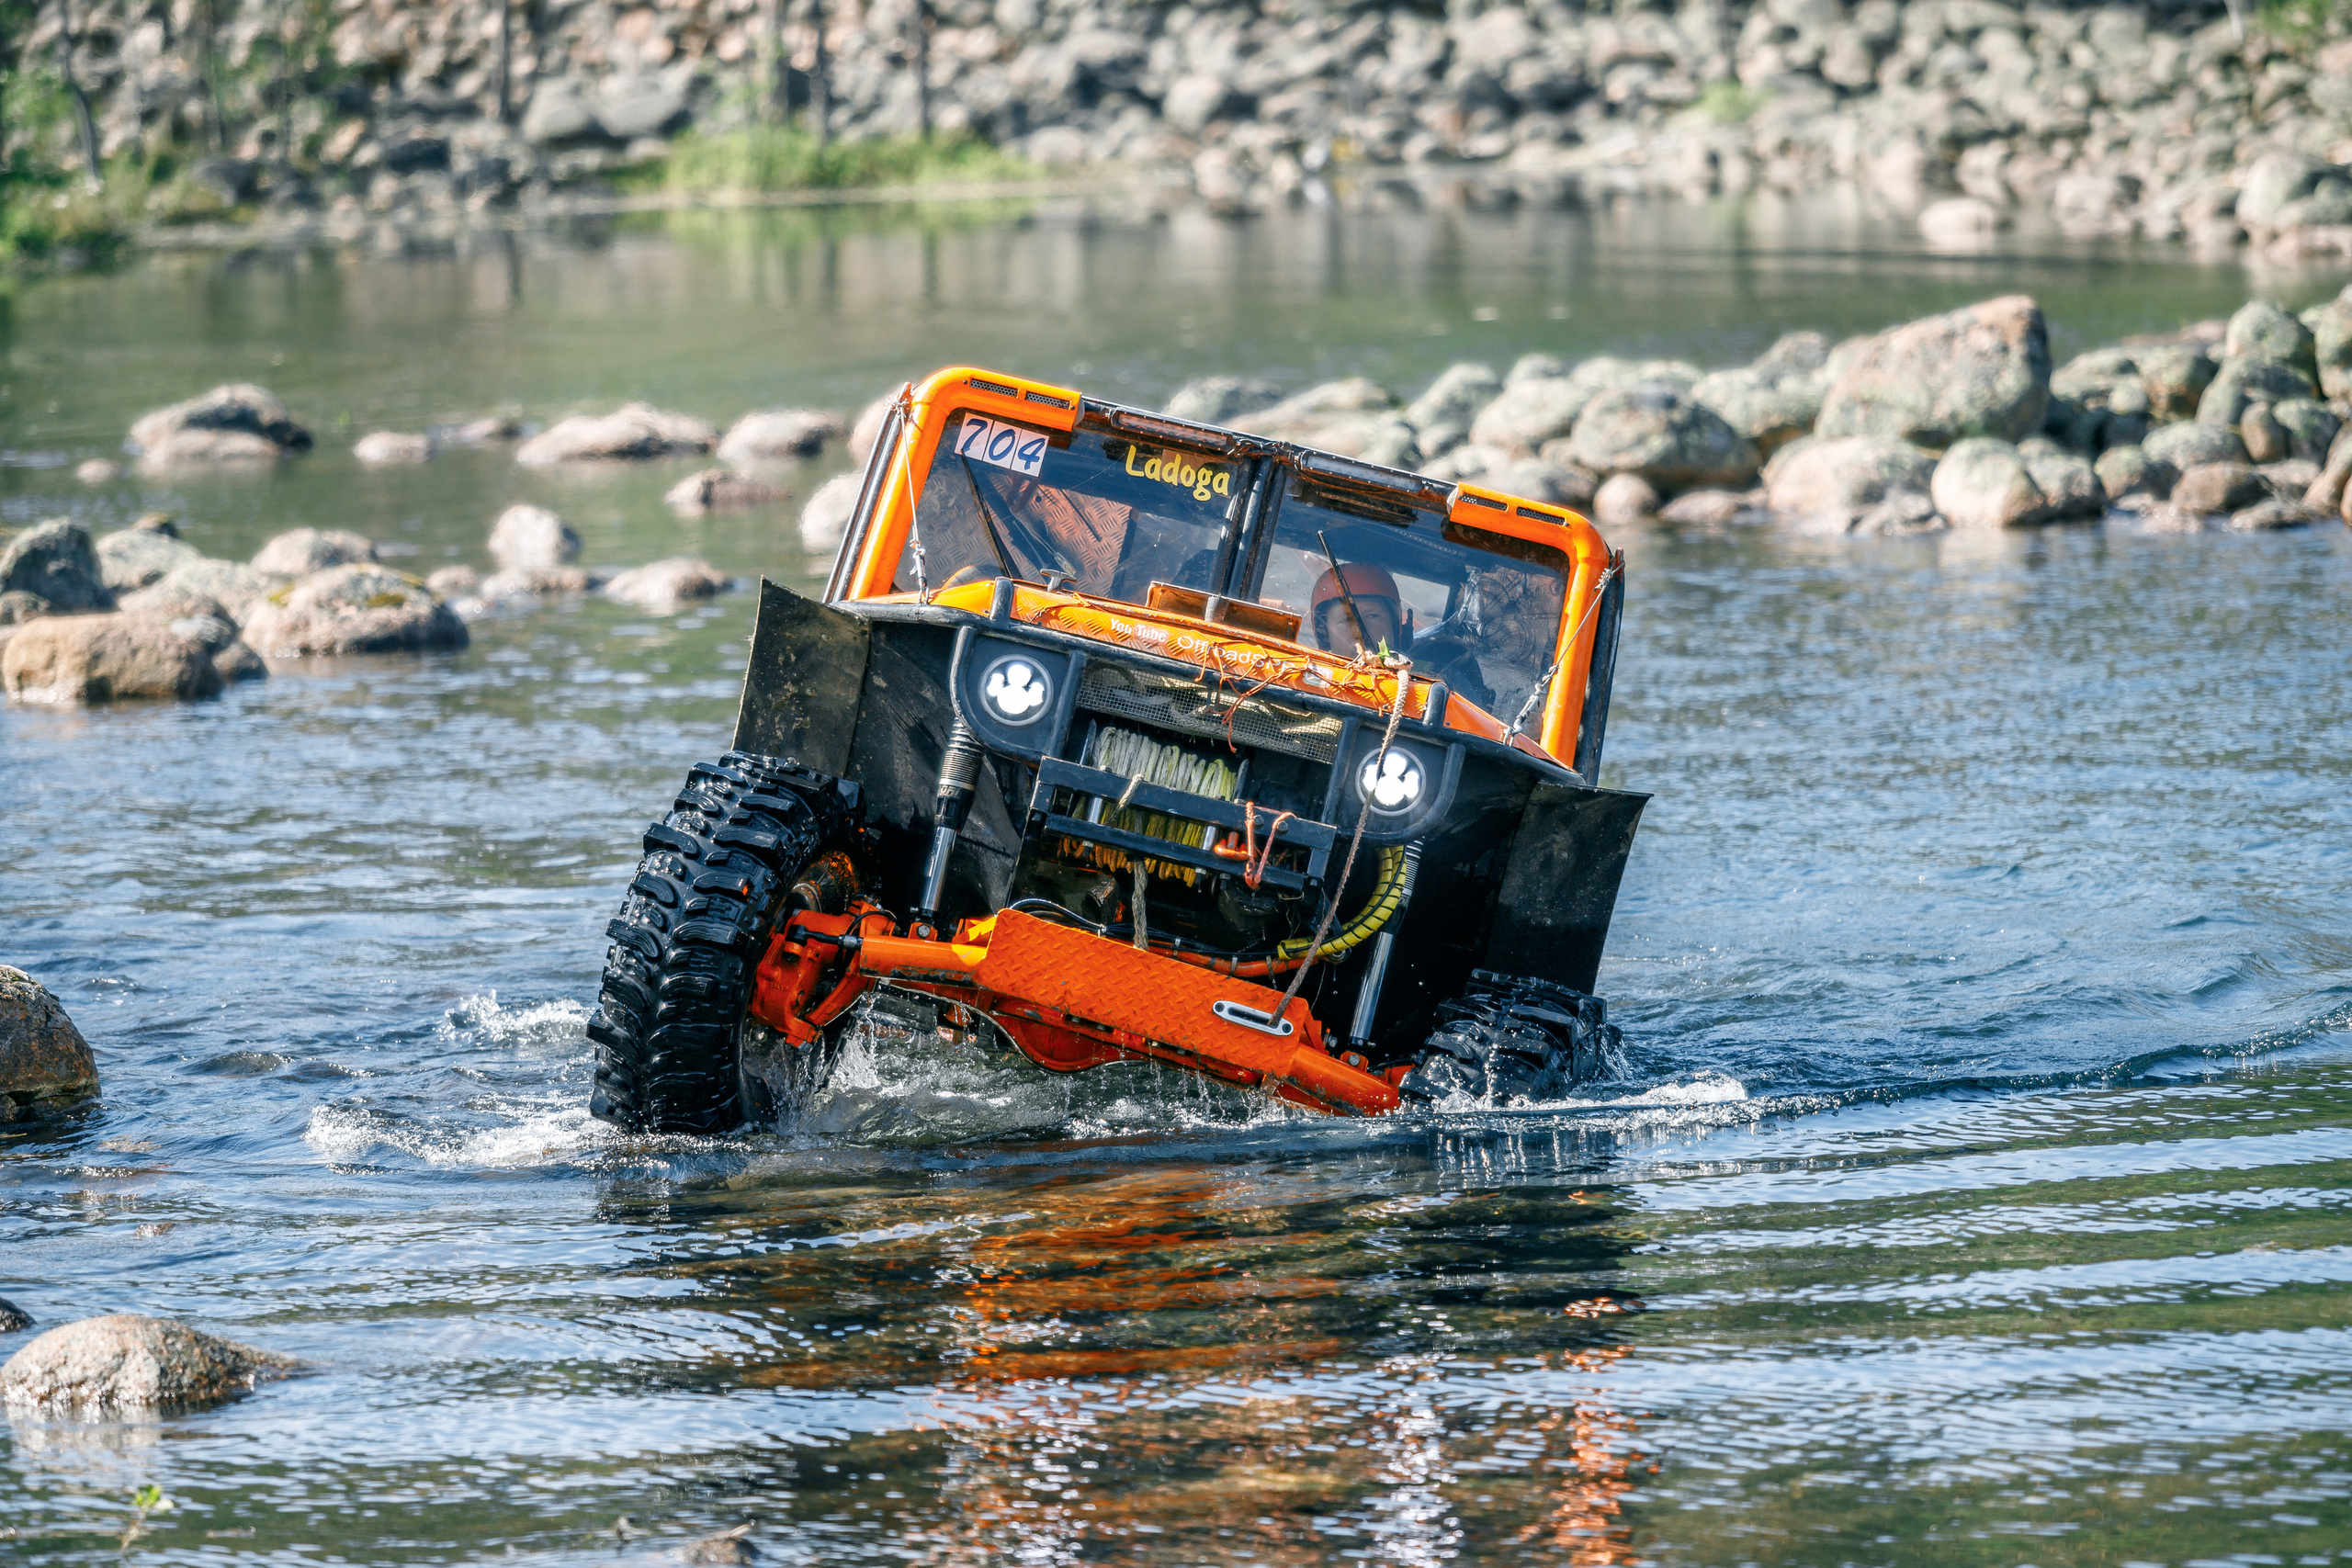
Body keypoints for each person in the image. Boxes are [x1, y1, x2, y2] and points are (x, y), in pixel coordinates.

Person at [1307, 561, 1495, 709]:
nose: (1360, 630)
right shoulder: (1304, 675)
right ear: (1325, 633)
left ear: (1395, 625)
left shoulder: (1445, 681)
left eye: (1373, 615)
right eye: (1346, 620)